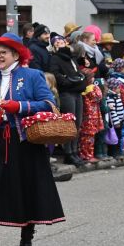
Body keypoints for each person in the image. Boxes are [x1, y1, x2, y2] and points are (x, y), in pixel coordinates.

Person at [0, 33, 65, 246]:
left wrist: (19, 106)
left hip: (26, 142)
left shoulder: (32, 75)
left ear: (16, 54)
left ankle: (25, 242)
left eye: (3, 52)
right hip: (1, 143)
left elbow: (50, 104)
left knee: (26, 189)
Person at [48, 34, 86, 166]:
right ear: (53, 46)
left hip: (77, 92)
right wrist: (69, 82)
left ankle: (75, 151)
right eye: (56, 42)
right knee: (69, 124)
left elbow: (77, 73)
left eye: (61, 40)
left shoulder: (72, 57)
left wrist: (80, 81)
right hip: (67, 93)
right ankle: (68, 153)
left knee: (77, 123)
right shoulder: (55, 58)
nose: (59, 42)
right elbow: (56, 75)